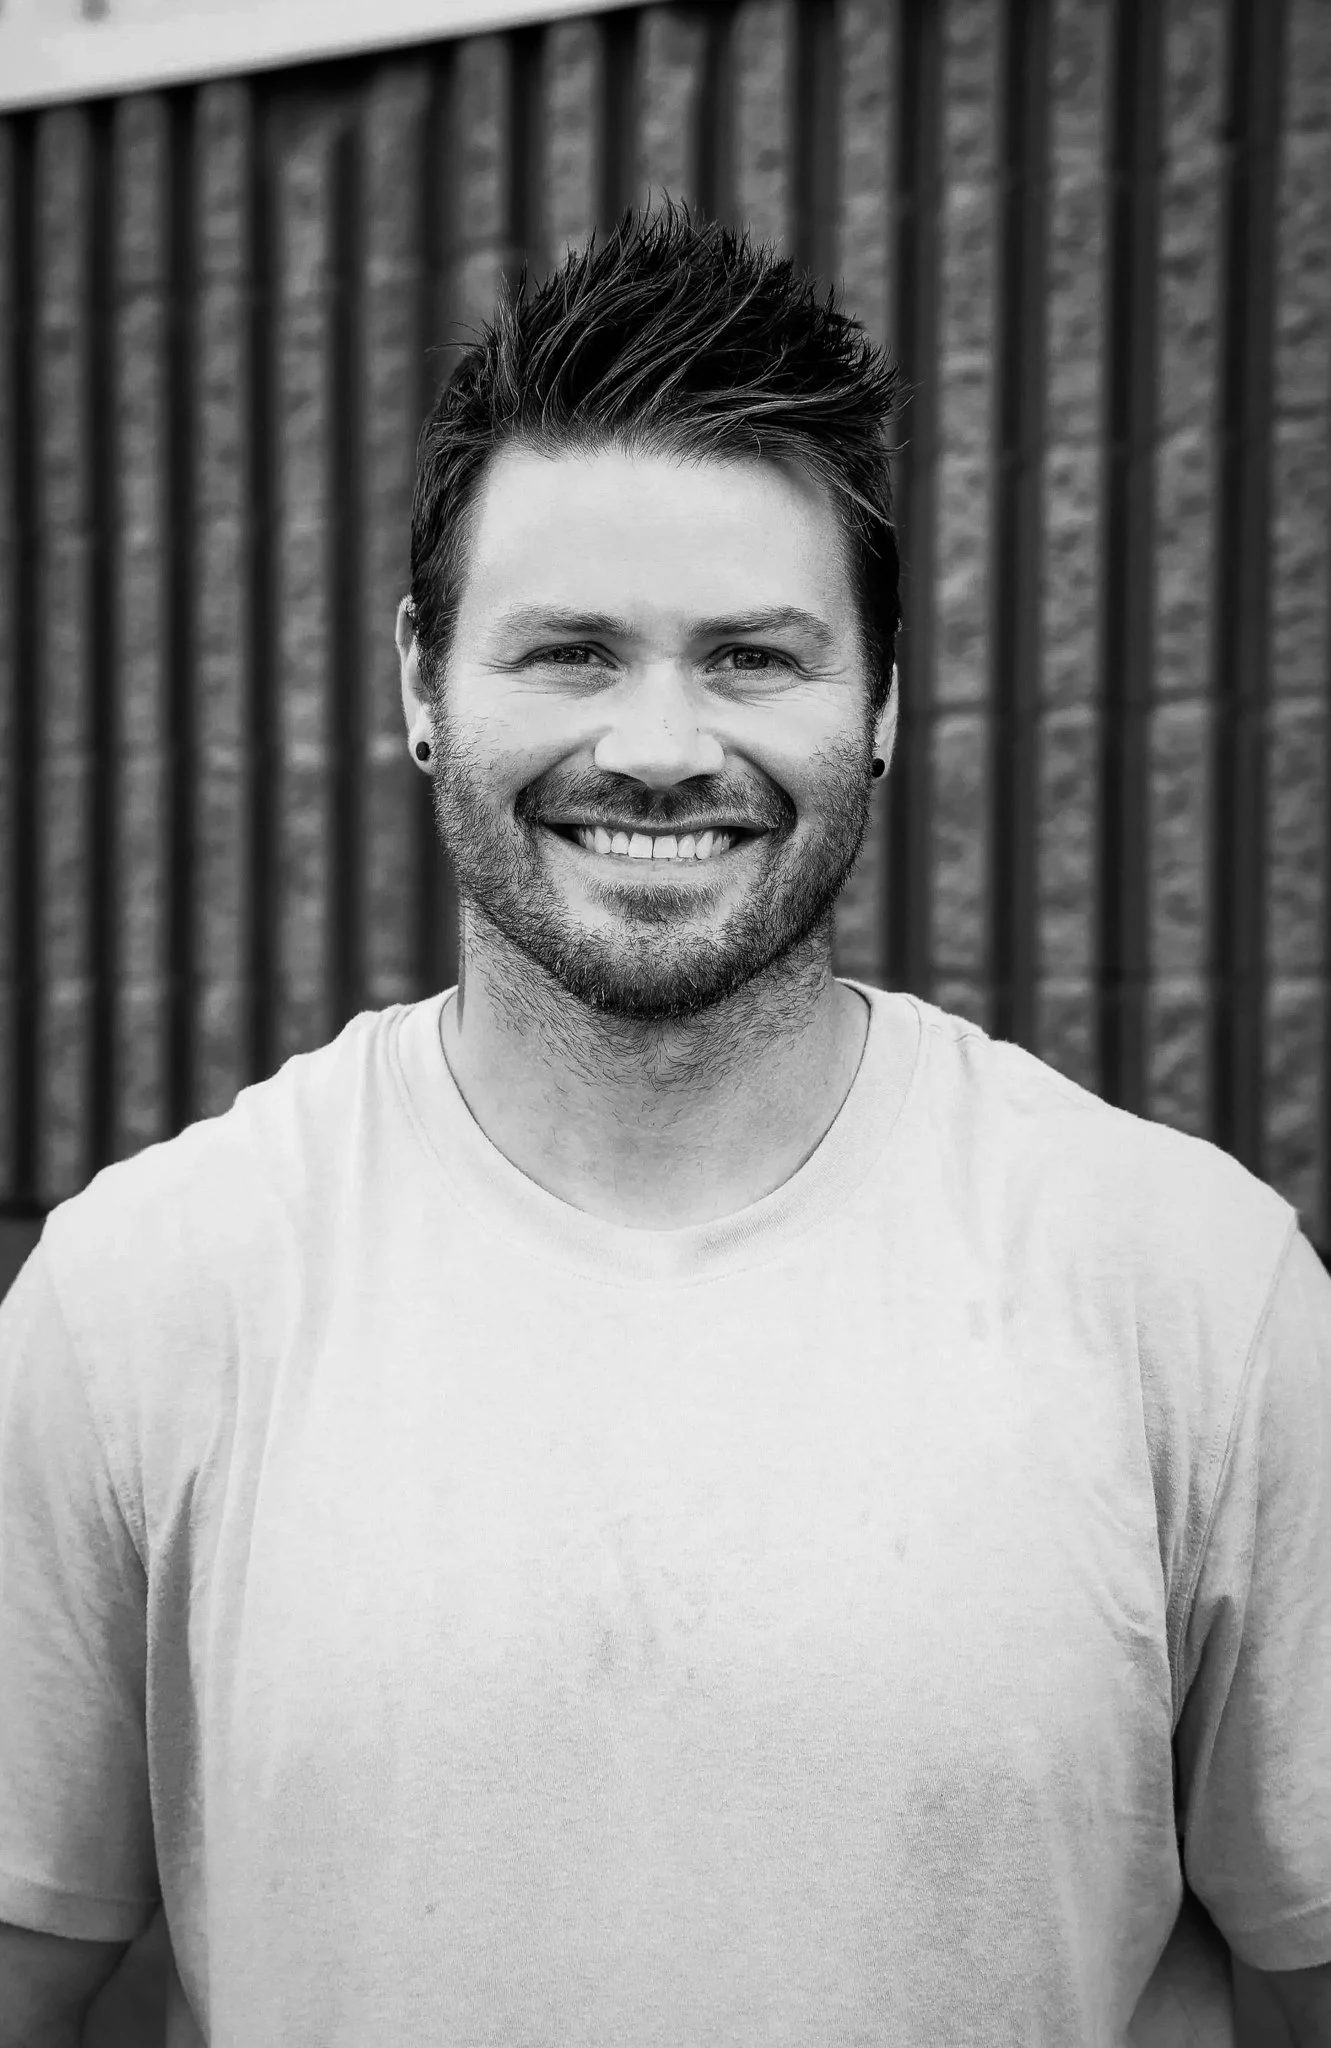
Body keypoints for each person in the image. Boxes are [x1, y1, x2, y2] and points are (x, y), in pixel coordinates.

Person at [1, 201, 1329, 2048]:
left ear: (878, 702)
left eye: (752, 656)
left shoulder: (1188, 1288)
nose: (655, 743)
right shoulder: (151, 1294)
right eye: (567, 651)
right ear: (416, 683)